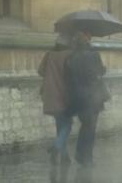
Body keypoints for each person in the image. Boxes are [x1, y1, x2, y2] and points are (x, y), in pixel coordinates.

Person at [64, 31, 109, 170]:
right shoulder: (93, 54)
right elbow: (97, 73)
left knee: (85, 126)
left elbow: (68, 78)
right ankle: (86, 157)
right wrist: (102, 70)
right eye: (88, 36)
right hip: (91, 97)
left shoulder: (70, 57)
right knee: (90, 128)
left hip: (77, 97)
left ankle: (80, 154)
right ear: (87, 40)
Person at [38, 34, 73, 165]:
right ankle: (56, 147)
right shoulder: (69, 54)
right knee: (68, 125)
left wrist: (51, 74)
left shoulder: (49, 54)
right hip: (63, 94)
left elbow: (40, 71)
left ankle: (64, 157)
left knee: (60, 125)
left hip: (50, 94)